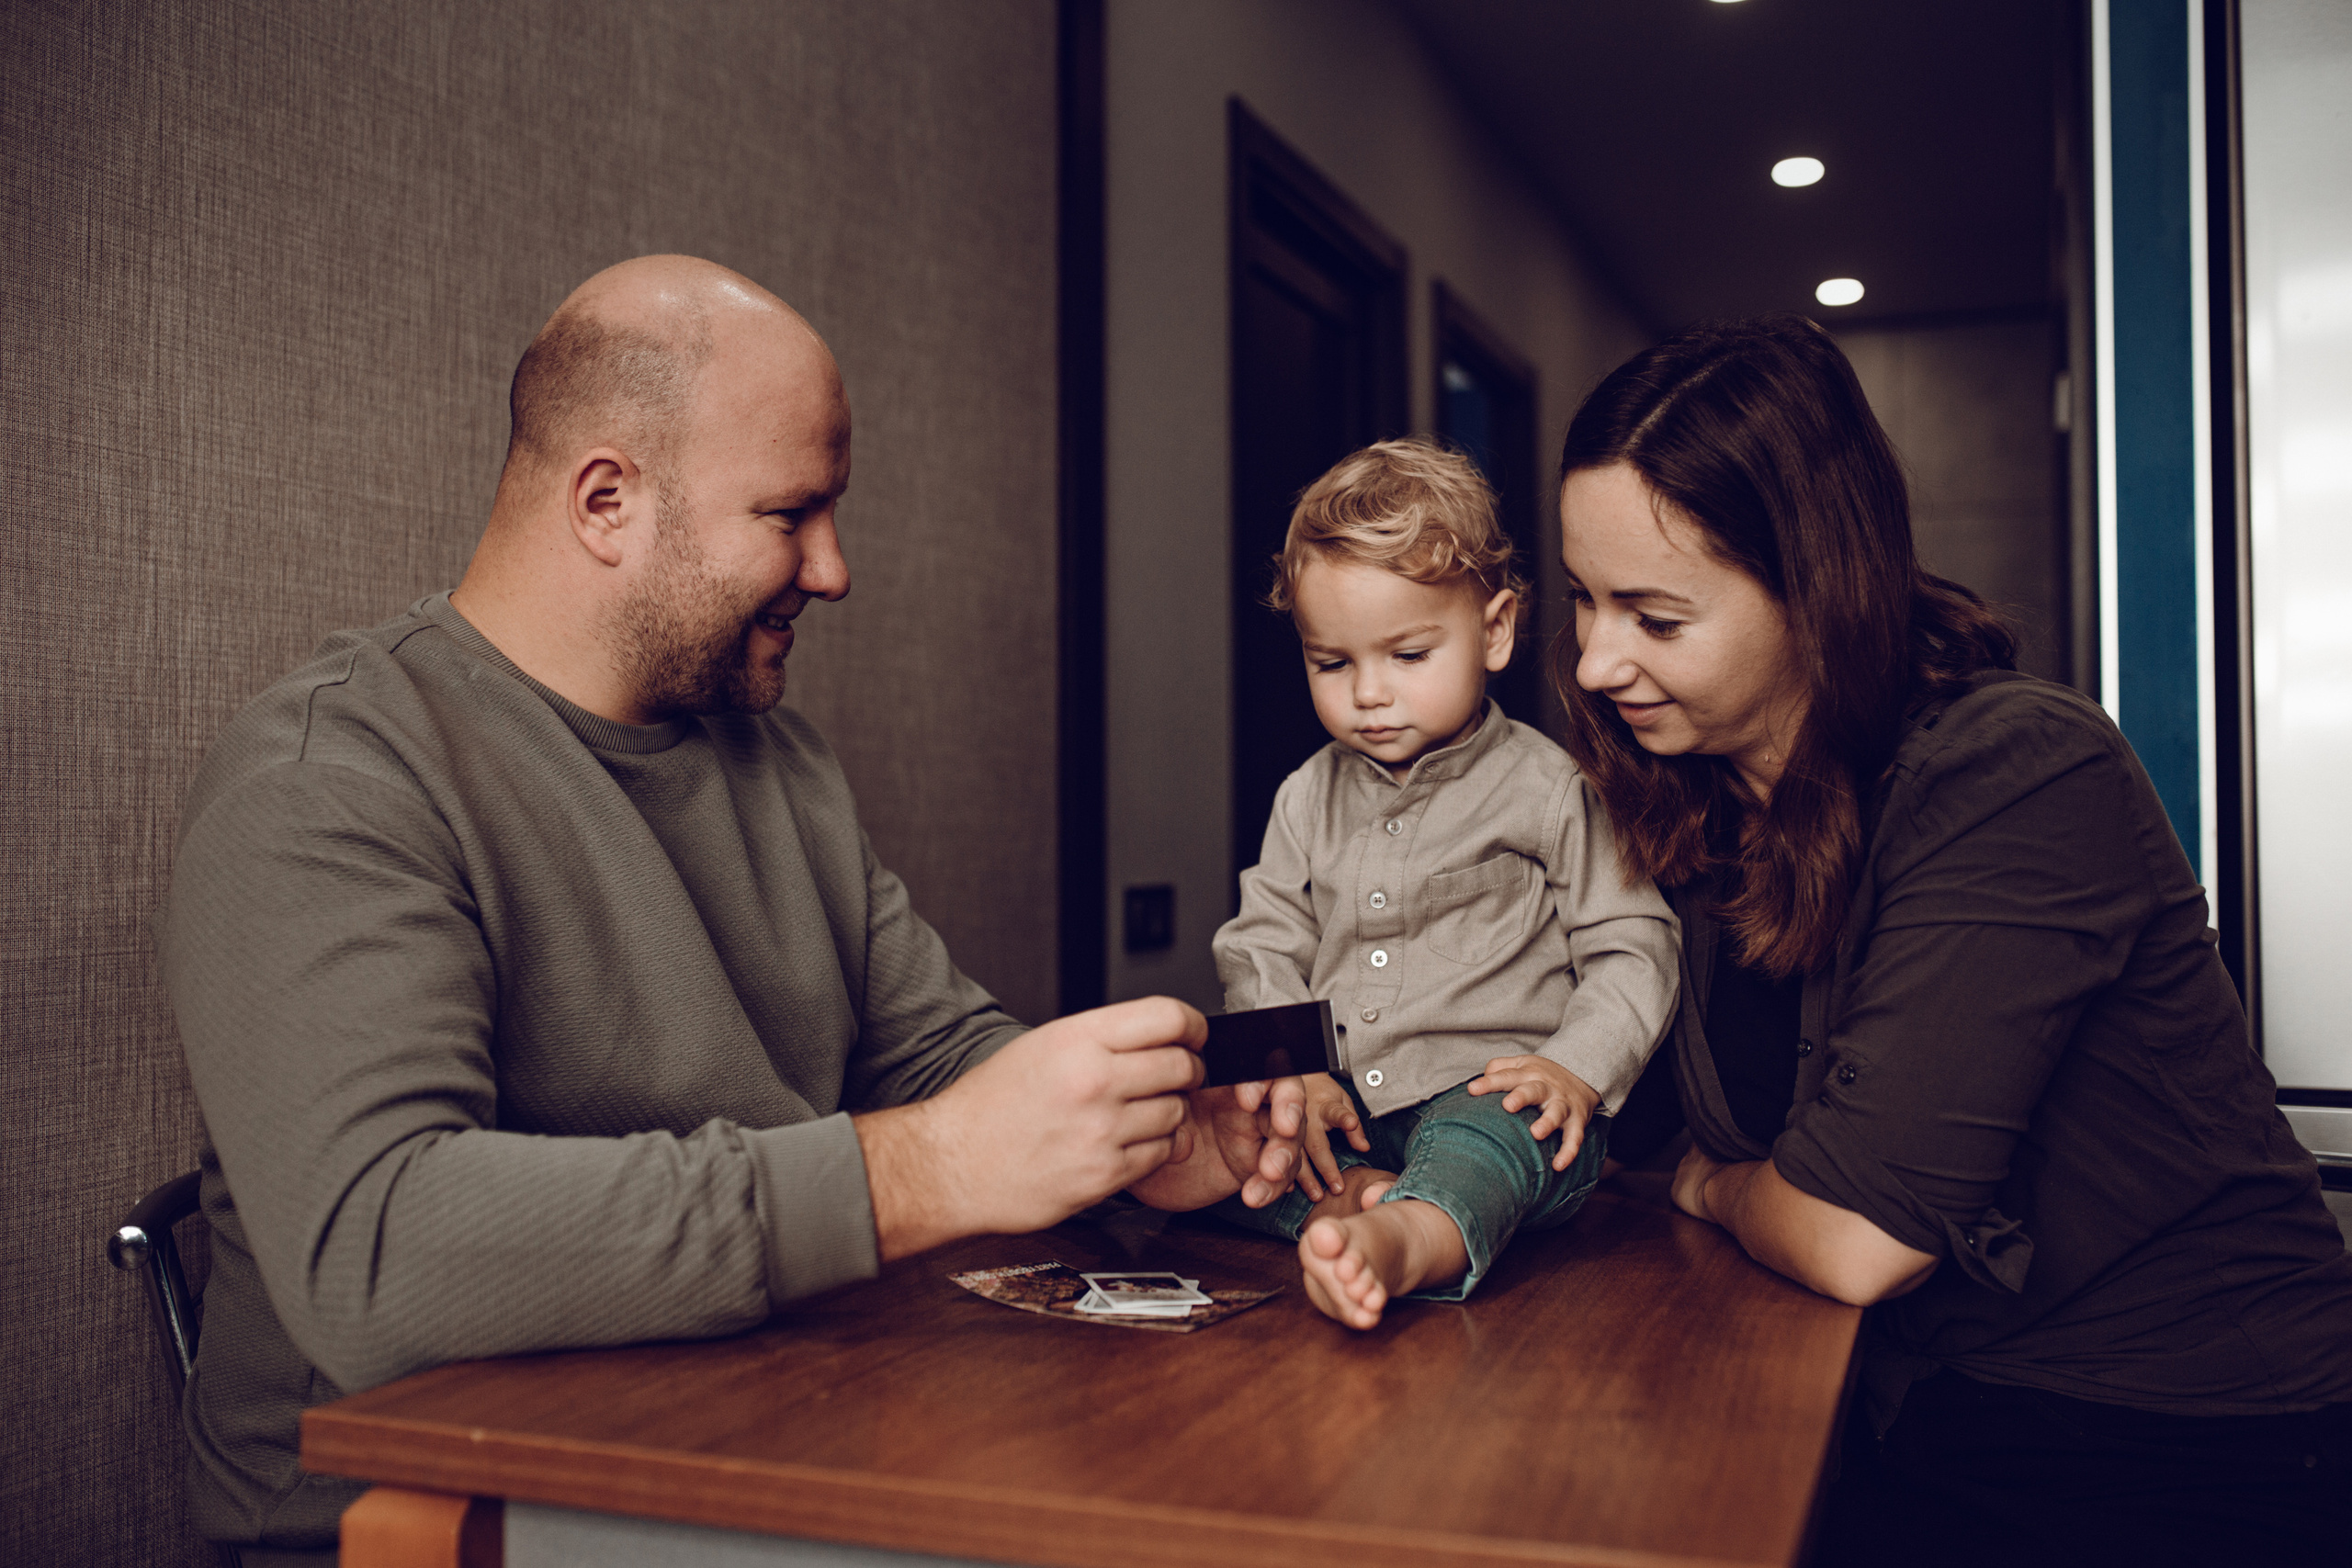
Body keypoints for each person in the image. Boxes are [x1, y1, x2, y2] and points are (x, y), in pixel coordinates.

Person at [155, 255, 1305, 1560]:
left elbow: (930, 1051)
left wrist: (1128, 1137)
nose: (834, 568)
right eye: (791, 512)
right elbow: (380, 1251)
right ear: (607, 502)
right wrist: (926, 1165)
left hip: (750, 1425)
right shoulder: (332, 775)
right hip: (415, 1508)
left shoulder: (780, 759)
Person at [1555, 316, 2352, 1565]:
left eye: (1654, 616)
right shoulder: (1706, 796)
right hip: (1914, 1404)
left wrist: (1714, 1186)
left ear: (1815, 585)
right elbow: (1627, 1110)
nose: (1598, 661)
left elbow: (1860, 1235)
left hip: (2185, 1440)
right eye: (1584, 600)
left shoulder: (2017, 767)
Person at [1210, 440, 1678, 1328]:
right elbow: (1262, 939)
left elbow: (1633, 942)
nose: (1370, 694)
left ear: (1494, 629)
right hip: (1346, 1106)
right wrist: (1292, 1073)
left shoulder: (1552, 788)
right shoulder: (1306, 796)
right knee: (1234, 1148)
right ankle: (1351, 1201)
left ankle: (1410, 1235)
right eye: (1332, 663)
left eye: (1409, 655)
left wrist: (1573, 1069)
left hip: (1497, 1101)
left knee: (1483, 1141)